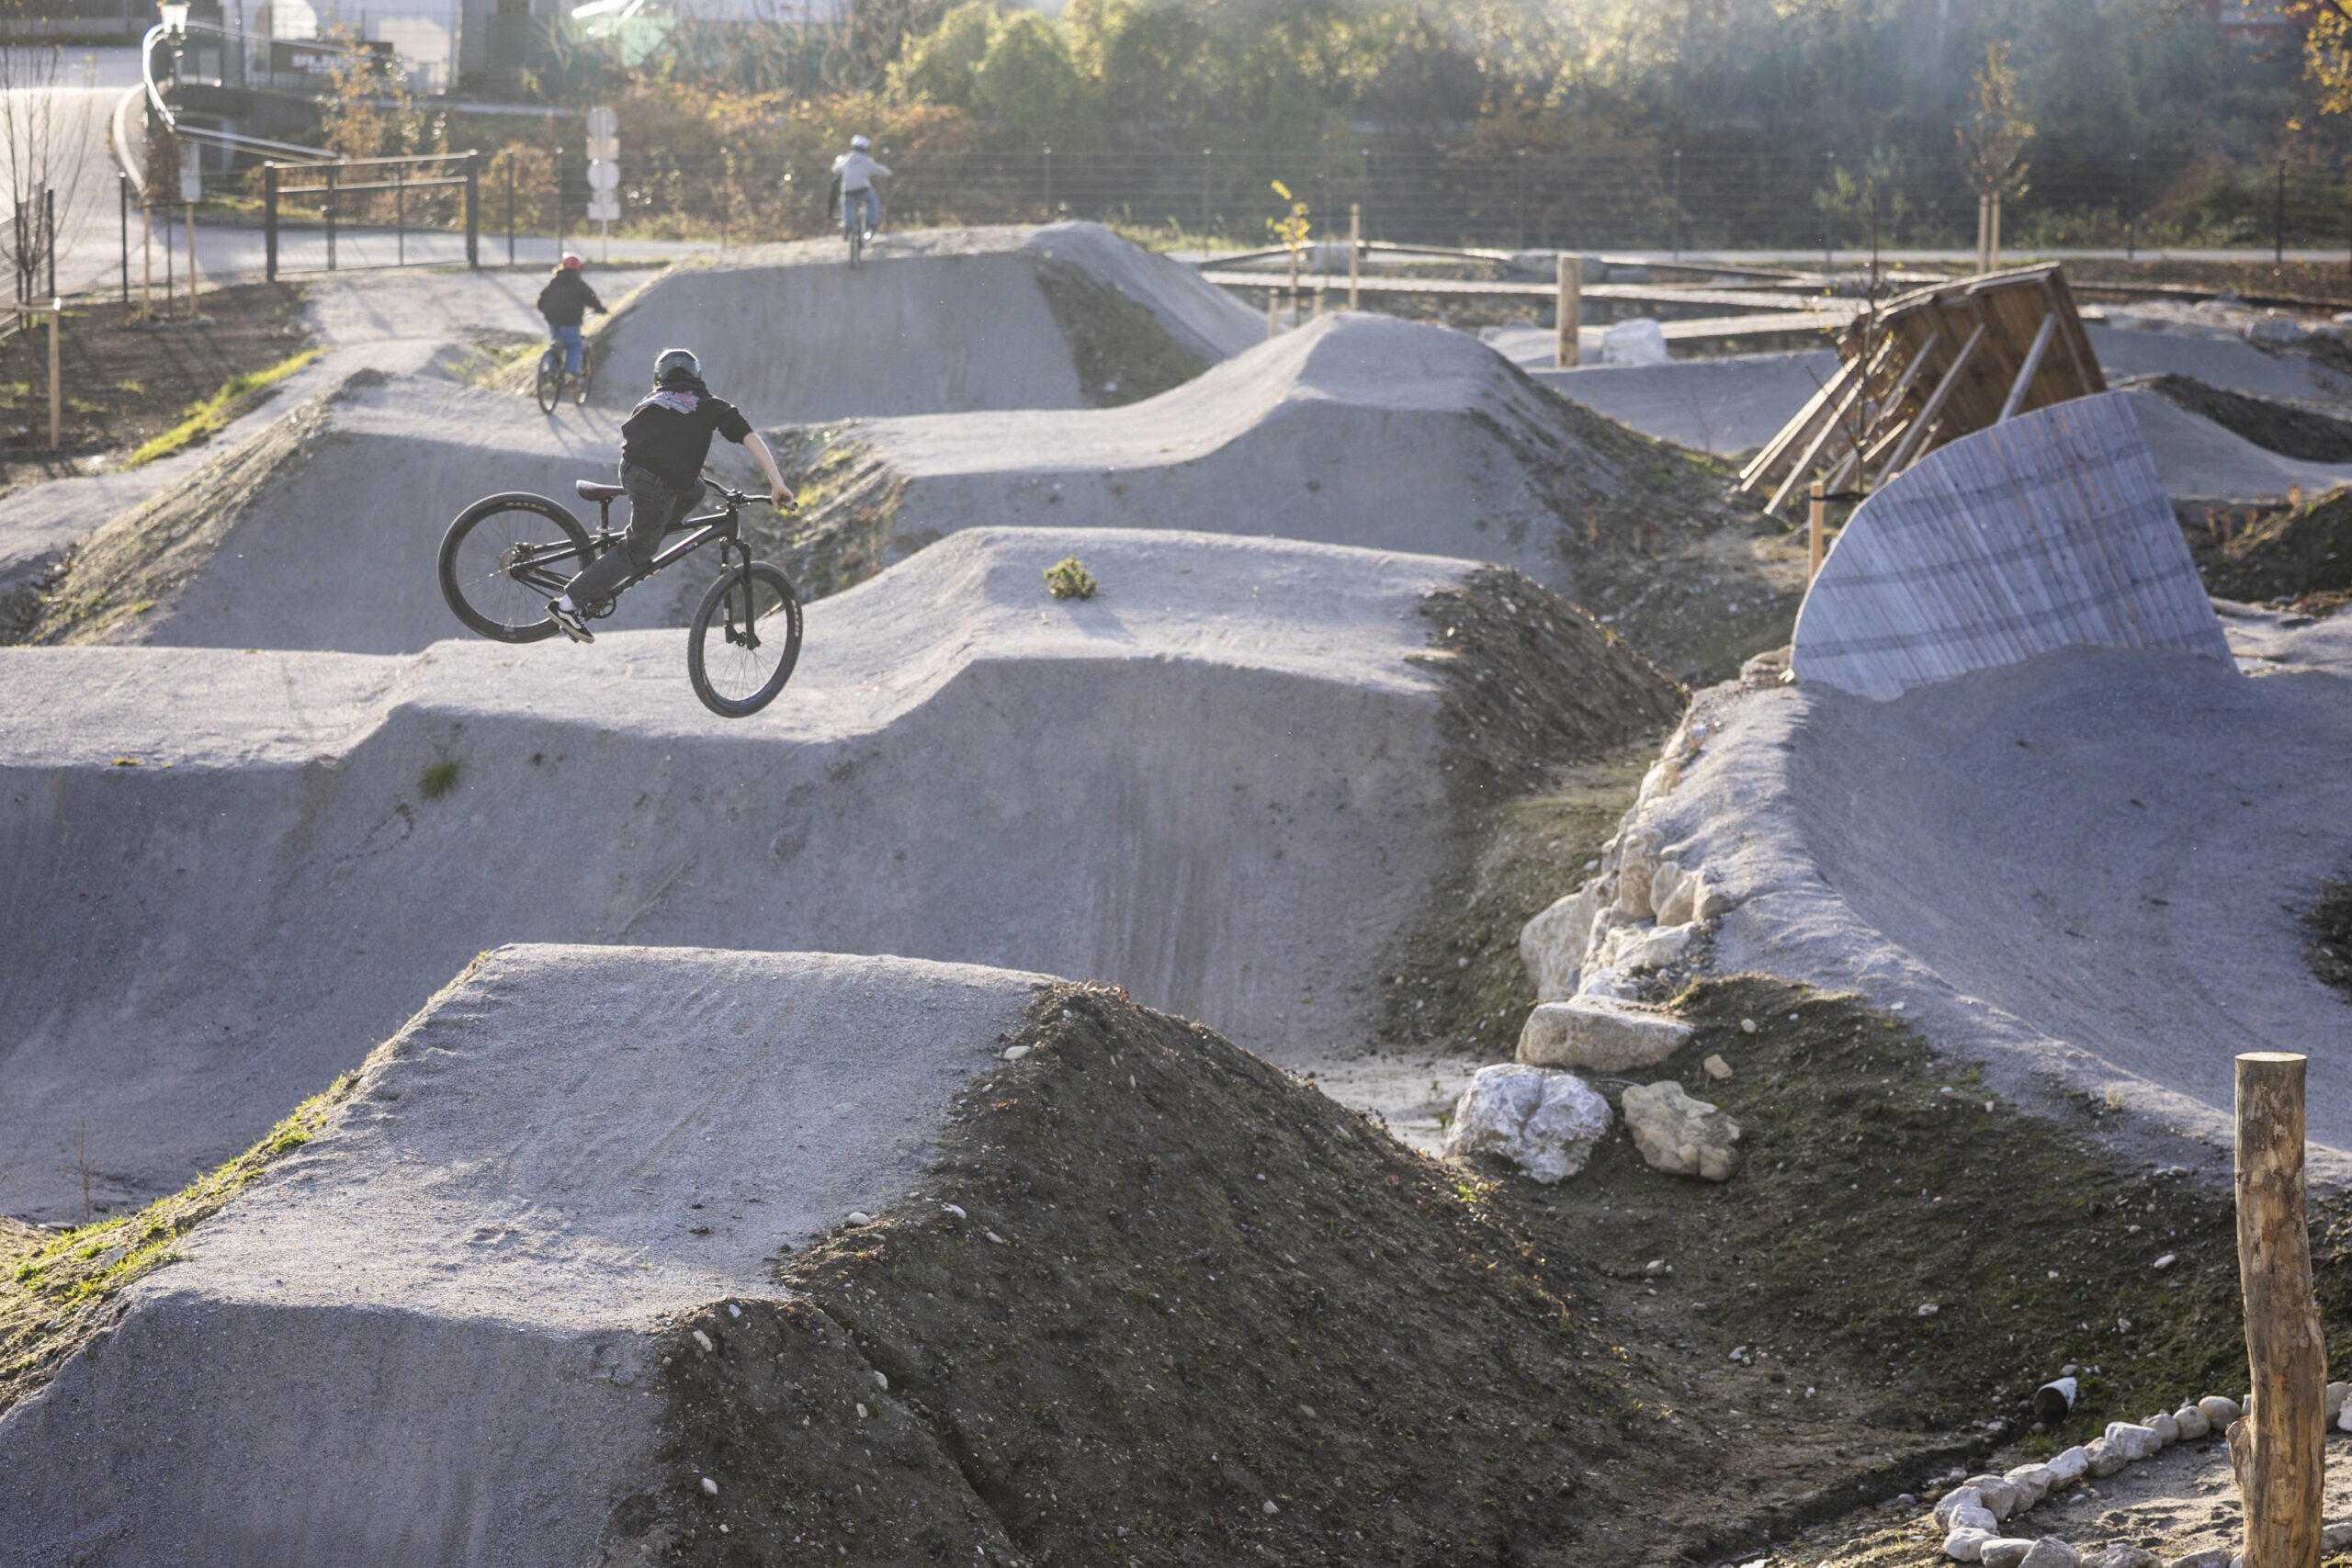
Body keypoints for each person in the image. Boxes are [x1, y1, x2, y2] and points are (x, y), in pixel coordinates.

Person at [546, 347, 794, 644]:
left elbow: (658, 437)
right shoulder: (709, 403)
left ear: (659, 378)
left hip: (631, 470)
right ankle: (568, 605)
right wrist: (777, 483)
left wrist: (689, 466)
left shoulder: (652, 399)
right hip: (654, 482)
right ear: (697, 377)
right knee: (637, 550)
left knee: (696, 488)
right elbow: (749, 436)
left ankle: (646, 541)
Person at [537, 254, 605, 378]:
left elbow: (541, 301)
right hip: (571, 321)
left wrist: (547, 312)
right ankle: (570, 373)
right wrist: (600, 309)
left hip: (552, 320)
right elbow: (591, 298)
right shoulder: (579, 284)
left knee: (554, 344)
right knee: (574, 346)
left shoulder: (553, 282)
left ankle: (551, 370)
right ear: (579, 269)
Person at [831, 133, 890, 241]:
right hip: (863, 189)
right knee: (872, 199)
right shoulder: (866, 160)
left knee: (847, 206)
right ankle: (873, 222)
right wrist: (888, 173)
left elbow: (836, 169)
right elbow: (879, 169)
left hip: (847, 190)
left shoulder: (847, 159)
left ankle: (847, 227)